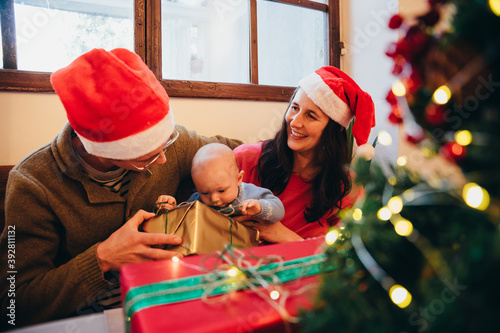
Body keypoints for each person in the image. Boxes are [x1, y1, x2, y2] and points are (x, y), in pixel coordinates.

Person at [0, 48, 242, 329]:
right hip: (89, 319)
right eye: (147, 156)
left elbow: (236, 151)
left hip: (170, 301)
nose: (163, 159)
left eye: (166, 143)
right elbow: (13, 304)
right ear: (104, 151)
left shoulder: (173, 147)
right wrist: (102, 258)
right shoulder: (33, 183)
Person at [233, 66, 376, 243]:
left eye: (311, 116)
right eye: (294, 108)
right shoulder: (245, 158)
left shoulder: (346, 188)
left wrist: (285, 237)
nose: (295, 122)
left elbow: (345, 257)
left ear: (334, 128)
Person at [156, 143, 285, 223]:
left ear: (239, 179)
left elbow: (279, 211)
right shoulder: (197, 201)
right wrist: (170, 208)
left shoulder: (251, 193)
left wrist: (260, 208)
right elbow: (182, 219)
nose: (214, 199)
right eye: (205, 192)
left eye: (221, 191)